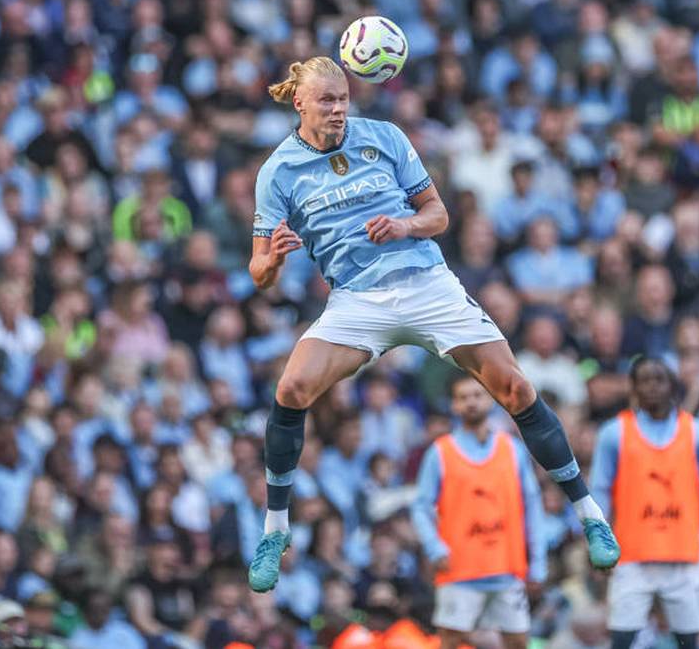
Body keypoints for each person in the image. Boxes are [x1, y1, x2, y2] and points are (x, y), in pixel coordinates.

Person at [245, 57, 618, 593]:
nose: (339, 109)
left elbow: (439, 216)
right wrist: (274, 260)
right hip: (358, 301)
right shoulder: (278, 171)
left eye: (345, 98)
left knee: (514, 387)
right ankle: (275, 530)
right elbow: (258, 272)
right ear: (299, 103)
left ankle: (589, 515)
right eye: (327, 101)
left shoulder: (385, 138)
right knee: (292, 388)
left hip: (426, 284)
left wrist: (403, 224)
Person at [591, 357, 699, 649]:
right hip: (632, 555)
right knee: (622, 637)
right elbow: (600, 492)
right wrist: (598, 541)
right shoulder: (614, 433)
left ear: (672, 385)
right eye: (644, 380)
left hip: (682, 553)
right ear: (633, 387)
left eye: (659, 379)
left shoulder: (696, 432)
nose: (652, 386)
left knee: (690, 639)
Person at [411, 375, 545, 649]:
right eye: (463, 397)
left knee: (518, 641)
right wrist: (434, 547)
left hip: (506, 566)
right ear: (454, 405)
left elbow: (532, 505)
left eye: (477, 395)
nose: (471, 402)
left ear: (490, 400)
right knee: (450, 640)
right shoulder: (440, 452)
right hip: (459, 567)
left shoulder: (512, 449)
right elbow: (420, 505)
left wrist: (538, 561)